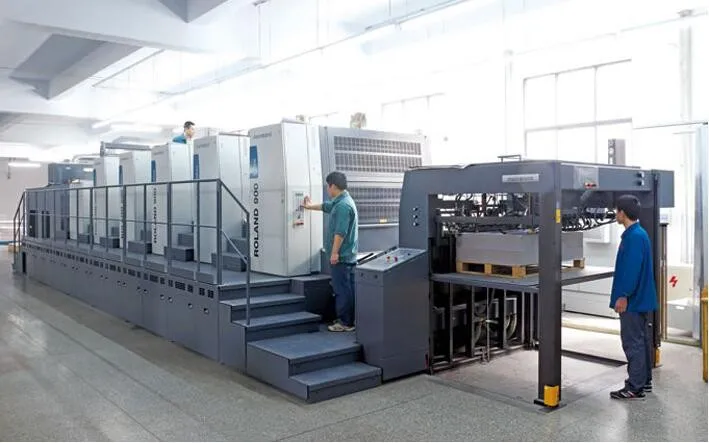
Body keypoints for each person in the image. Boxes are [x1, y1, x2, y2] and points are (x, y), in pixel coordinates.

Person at [609, 195, 657, 400]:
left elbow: (631, 270)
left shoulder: (634, 237)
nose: (615, 214)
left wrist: (623, 296)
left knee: (632, 342)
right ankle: (644, 381)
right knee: (641, 340)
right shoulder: (638, 233)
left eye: (616, 211)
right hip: (640, 299)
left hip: (633, 301)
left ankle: (634, 387)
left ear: (622, 213)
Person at [303, 171, 358, 332]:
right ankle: (348, 319)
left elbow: (340, 233)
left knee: (342, 290)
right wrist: (309, 206)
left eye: (328, 186)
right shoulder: (341, 201)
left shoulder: (343, 206)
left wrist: (334, 253)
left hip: (341, 256)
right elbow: (326, 206)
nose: (327, 189)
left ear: (333, 186)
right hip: (346, 255)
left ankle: (345, 322)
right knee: (346, 288)